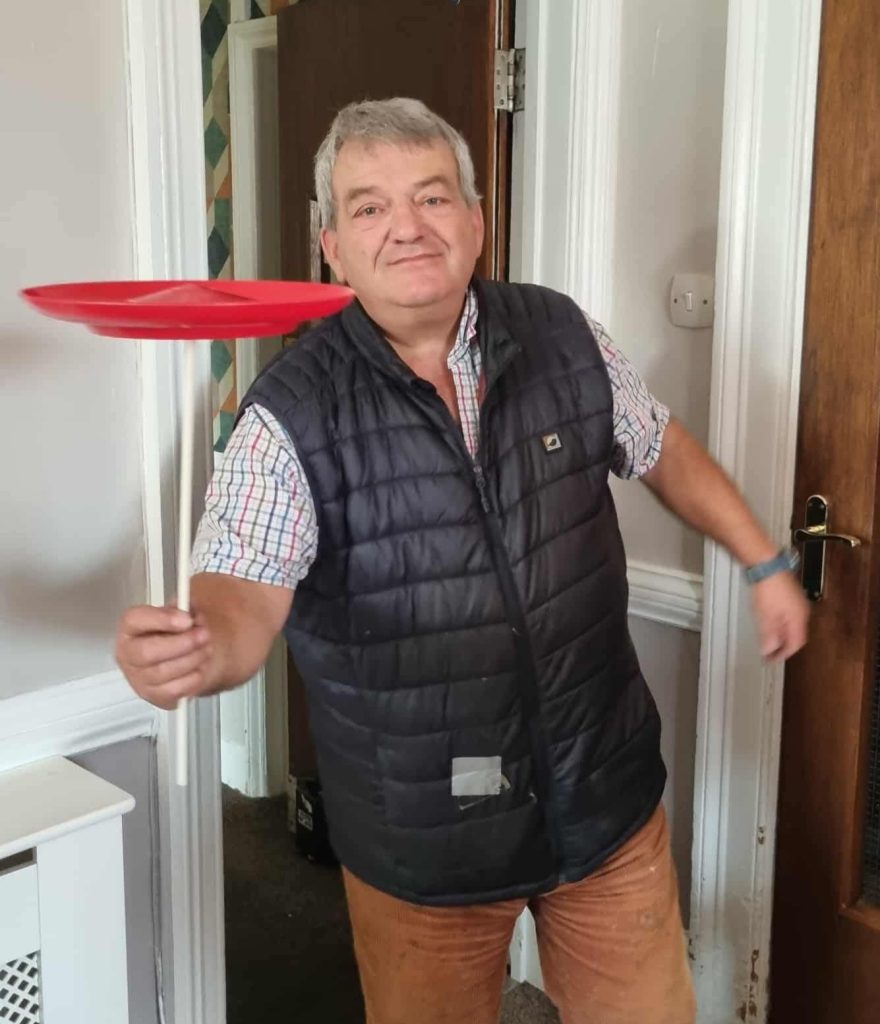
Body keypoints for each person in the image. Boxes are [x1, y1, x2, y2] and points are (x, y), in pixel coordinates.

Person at [116, 98, 809, 1024]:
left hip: (605, 806)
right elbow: (242, 592)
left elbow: (663, 447)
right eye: (368, 208)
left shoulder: (562, 334)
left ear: (476, 221)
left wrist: (763, 560)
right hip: (424, 852)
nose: (406, 227)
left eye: (433, 197)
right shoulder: (289, 414)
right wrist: (199, 652)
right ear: (331, 245)